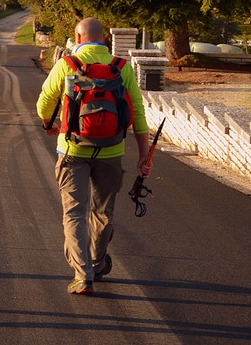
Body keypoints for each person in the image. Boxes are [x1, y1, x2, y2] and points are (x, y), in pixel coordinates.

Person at [36, 17, 150, 296]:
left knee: (74, 212)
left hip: (72, 149)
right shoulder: (121, 68)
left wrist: (51, 124)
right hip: (111, 151)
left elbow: (43, 103)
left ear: (77, 37)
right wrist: (144, 155)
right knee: (102, 212)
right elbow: (138, 111)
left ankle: (82, 274)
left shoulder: (66, 65)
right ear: (105, 39)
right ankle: (97, 261)